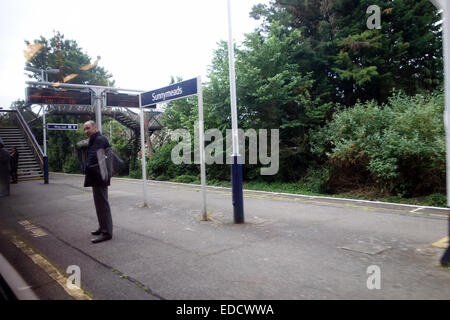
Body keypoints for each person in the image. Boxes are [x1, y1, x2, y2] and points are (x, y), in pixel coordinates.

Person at [83, 120, 113, 244]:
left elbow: (93, 155)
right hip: (97, 175)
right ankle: (102, 227)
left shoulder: (99, 139)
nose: (86, 131)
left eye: (88, 128)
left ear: (95, 128)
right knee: (99, 204)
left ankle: (106, 233)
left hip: (100, 176)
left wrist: (86, 166)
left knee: (102, 205)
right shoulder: (95, 139)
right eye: (84, 129)